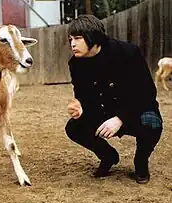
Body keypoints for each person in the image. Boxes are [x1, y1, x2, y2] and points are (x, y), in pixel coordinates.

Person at [65, 14, 163, 184]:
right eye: (71, 39)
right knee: (74, 128)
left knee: (152, 124)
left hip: (136, 108)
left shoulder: (128, 53)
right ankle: (108, 156)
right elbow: (82, 93)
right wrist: (81, 106)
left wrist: (120, 118)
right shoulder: (76, 63)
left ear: (93, 37)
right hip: (104, 109)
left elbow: (146, 93)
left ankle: (141, 162)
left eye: (78, 38)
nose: (73, 44)